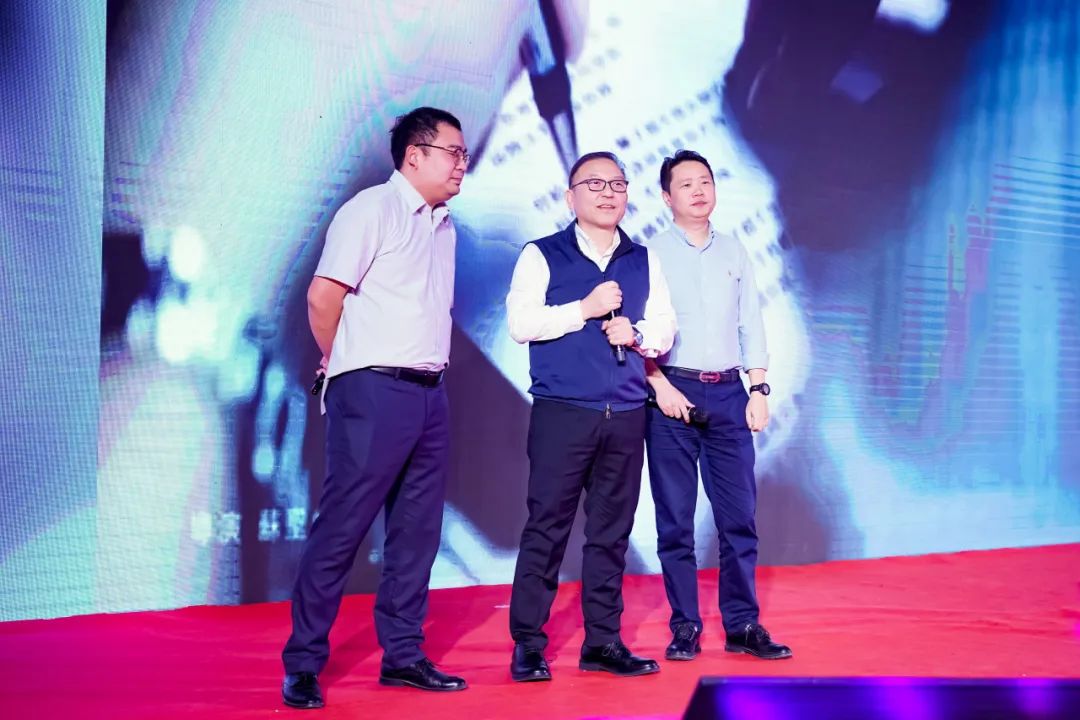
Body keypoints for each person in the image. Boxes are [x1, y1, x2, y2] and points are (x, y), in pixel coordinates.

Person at [280, 107, 470, 709]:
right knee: (343, 527)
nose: (462, 164)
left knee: (417, 532)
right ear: (414, 154)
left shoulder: (445, 226)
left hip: (430, 391)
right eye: (453, 152)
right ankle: (304, 662)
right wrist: (341, 359)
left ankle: (404, 656)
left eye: (464, 154)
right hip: (373, 389)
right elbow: (323, 297)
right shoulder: (372, 210)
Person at [505, 151, 677, 682]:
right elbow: (521, 324)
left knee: (611, 533)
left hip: (625, 414)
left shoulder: (643, 258)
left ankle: (603, 641)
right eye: (595, 184)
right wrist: (584, 309)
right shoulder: (542, 253)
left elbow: (665, 326)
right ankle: (528, 644)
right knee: (547, 528)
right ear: (570, 197)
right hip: (563, 412)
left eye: (617, 184)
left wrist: (638, 334)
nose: (608, 193)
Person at [645, 150, 792, 662]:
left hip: (729, 393)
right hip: (672, 395)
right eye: (686, 184)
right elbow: (638, 329)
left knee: (738, 519)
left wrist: (759, 389)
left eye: (705, 181)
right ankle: (685, 625)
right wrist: (656, 382)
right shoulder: (649, 254)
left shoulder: (734, 250)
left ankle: (742, 624)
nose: (698, 190)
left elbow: (751, 321)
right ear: (667, 197)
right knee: (675, 521)